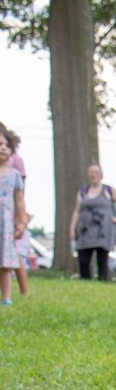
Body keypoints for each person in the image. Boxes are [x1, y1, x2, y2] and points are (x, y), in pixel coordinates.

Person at [69, 164, 116, 281]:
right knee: (83, 259)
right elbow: (77, 211)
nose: (94, 175)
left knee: (102, 259)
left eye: (96, 172)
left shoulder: (108, 190)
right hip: (85, 230)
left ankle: (102, 280)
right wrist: (72, 228)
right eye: (91, 172)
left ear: (101, 174)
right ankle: (85, 281)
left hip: (103, 231)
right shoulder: (82, 191)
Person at [0, 124, 28, 306]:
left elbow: (19, 200)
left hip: (5, 226)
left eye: (5, 145)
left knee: (5, 262)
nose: (2, 148)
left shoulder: (14, 175)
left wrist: (22, 220)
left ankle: (7, 297)